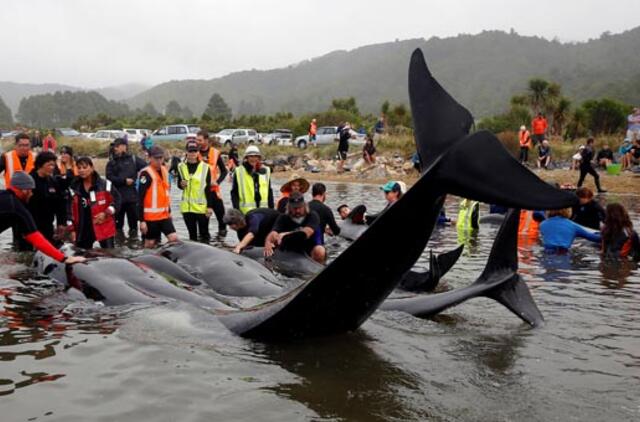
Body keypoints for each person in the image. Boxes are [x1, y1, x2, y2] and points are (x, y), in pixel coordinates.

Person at [0, 171, 84, 264]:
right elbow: (37, 239)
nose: (32, 194)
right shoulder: (17, 208)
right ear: (24, 190)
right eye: (31, 190)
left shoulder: (3, 195)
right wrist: (64, 259)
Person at [68, 157, 120, 249]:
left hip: (104, 227)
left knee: (110, 256)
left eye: (84, 167)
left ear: (92, 168)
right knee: (83, 258)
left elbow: (117, 200)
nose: (81, 170)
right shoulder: (73, 187)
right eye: (79, 168)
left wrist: (106, 213)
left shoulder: (106, 184)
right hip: (83, 229)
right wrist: (72, 230)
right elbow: (68, 210)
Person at [264, 192, 325, 263]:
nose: (298, 211)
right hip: (291, 249)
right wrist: (268, 242)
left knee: (320, 250)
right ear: (289, 207)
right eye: (295, 208)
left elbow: (306, 232)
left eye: (300, 207)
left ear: (304, 205)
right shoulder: (283, 217)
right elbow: (273, 232)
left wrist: (285, 234)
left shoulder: (312, 215)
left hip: (310, 248)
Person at [106, 138, 147, 241]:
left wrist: (142, 181)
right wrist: (124, 181)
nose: (115, 148)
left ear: (124, 146)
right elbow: (109, 177)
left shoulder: (133, 159)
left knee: (133, 227)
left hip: (132, 199)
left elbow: (147, 168)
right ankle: (120, 246)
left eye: (117, 146)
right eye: (115, 146)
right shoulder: (111, 162)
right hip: (117, 199)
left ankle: (133, 245)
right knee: (118, 227)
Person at [138, 146, 179, 248]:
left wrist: (169, 212)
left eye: (161, 158)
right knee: (150, 243)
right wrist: (142, 221)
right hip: (151, 218)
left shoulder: (165, 171)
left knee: (174, 239)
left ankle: (167, 259)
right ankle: (145, 261)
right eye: (156, 158)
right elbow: (140, 198)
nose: (159, 161)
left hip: (164, 215)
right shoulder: (146, 174)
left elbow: (165, 194)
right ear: (150, 158)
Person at [177, 140, 216, 242]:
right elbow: (179, 184)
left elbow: (208, 189)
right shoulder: (181, 166)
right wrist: (181, 184)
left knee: (204, 235)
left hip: (201, 207)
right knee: (192, 236)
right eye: (190, 151)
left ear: (198, 152)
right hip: (187, 208)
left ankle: (208, 255)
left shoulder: (205, 167)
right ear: (186, 152)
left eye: (195, 151)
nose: (192, 153)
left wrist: (210, 206)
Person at [27, 151, 68, 245]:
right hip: (30, 226)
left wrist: (61, 223)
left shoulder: (54, 182)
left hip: (48, 225)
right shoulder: (29, 181)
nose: (52, 168)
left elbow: (61, 204)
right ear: (40, 165)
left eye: (53, 165)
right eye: (49, 165)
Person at [196, 130, 228, 236]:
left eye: (200, 140)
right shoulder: (194, 153)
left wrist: (217, 182)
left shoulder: (215, 153)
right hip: (200, 194)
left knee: (223, 221)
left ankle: (221, 245)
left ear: (206, 140)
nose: (198, 142)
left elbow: (224, 171)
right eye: (197, 140)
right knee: (204, 224)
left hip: (214, 192)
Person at [230, 145, 273, 214]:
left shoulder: (266, 171)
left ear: (259, 158)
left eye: (256, 156)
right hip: (246, 213)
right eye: (251, 156)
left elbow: (269, 192)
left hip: (263, 212)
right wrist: (237, 211)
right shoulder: (239, 171)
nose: (253, 159)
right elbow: (234, 193)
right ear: (246, 158)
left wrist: (272, 210)